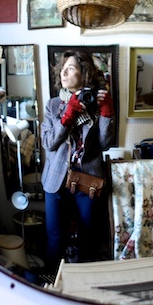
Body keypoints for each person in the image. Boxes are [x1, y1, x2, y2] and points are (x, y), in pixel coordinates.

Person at [40, 51, 114, 266]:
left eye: (70, 68)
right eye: (62, 69)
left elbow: (104, 144)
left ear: (84, 73)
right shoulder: (53, 105)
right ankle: (52, 279)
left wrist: (107, 113)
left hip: (88, 180)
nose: (63, 73)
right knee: (55, 237)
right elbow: (48, 143)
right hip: (56, 180)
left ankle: (84, 280)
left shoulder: (97, 104)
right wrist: (67, 117)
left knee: (88, 238)